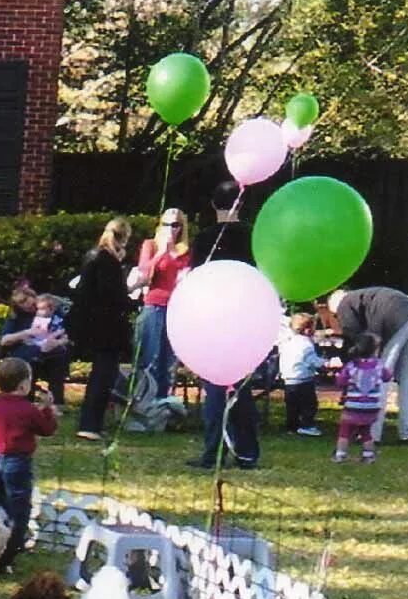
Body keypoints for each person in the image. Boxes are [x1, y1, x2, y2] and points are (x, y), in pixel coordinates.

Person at [189, 180, 259, 470]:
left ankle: (211, 452)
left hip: (212, 319)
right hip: (244, 319)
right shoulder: (253, 237)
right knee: (242, 389)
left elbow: (195, 280)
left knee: (215, 391)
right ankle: (247, 452)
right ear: (240, 205)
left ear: (213, 205)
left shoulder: (204, 239)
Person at [0, 358, 58, 574]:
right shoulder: (27, 410)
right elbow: (47, 429)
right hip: (17, 462)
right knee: (18, 509)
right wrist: (47, 409)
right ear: (23, 386)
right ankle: (8, 554)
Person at [67, 217, 135, 441]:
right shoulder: (108, 262)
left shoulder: (93, 256)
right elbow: (113, 296)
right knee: (103, 376)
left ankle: (91, 421)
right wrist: (132, 299)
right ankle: (90, 424)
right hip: (107, 327)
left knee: (101, 373)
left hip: (92, 324)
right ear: (123, 238)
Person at [326, 286, 408, 446]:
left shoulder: (344, 304)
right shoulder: (362, 297)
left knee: (379, 379)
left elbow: (355, 338)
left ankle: (370, 433)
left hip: (394, 321)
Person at [134, 207, 191, 399]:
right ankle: (145, 400)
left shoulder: (186, 252)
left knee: (169, 360)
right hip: (155, 304)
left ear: (182, 228)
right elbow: (144, 274)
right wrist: (161, 254)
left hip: (177, 308)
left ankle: (163, 402)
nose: (171, 229)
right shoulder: (151, 245)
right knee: (151, 355)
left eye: (176, 225)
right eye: (166, 224)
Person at [0, 285, 70, 406]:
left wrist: (56, 342)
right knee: (29, 359)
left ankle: (56, 403)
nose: (25, 304)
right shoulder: (16, 316)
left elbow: (67, 333)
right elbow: (4, 340)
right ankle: (25, 401)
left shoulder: (49, 308)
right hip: (26, 349)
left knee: (58, 357)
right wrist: (26, 333)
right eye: (21, 303)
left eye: (26, 300)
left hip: (51, 347)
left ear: (32, 296)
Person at [335, 333, 393, 463]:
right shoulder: (379, 366)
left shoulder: (351, 366)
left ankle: (341, 454)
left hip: (353, 406)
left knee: (345, 431)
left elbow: (340, 382)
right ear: (375, 350)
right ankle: (368, 455)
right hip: (371, 406)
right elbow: (387, 377)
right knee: (366, 431)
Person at [276, 313, 324, 437]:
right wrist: (325, 362)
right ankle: (307, 425)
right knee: (309, 404)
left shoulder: (286, 342)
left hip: (289, 379)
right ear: (308, 330)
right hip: (303, 380)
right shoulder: (306, 345)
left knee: (292, 406)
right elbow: (313, 361)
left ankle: (291, 427)